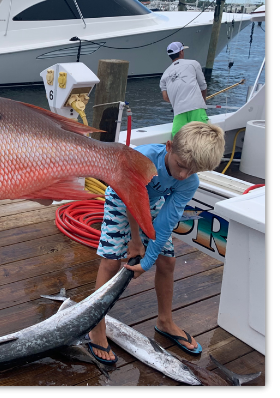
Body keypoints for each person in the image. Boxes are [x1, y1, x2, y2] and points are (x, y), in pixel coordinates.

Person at [86, 122, 225, 364]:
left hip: (152, 202)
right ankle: (96, 325)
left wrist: (147, 261)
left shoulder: (189, 182)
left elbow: (166, 222)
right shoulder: (143, 158)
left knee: (168, 260)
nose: (183, 175)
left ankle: (165, 321)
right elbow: (130, 198)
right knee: (111, 261)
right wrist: (136, 240)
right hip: (122, 198)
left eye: (191, 171)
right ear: (169, 147)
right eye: (180, 166)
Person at [160, 42, 209, 138]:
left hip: (179, 111)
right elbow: (203, 86)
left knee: (178, 142)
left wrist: (178, 100)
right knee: (202, 139)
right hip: (196, 108)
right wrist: (202, 101)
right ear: (181, 52)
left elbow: (165, 97)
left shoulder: (164, 75)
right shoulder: (193, 64)